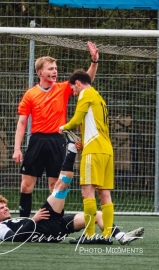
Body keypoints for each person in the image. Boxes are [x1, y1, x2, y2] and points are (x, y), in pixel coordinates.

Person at [0, 137, 144, 244]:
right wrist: (34, 220)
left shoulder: (17, 220)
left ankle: (121, 236)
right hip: (46, 226)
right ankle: (71, 149)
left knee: (97, 214)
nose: (5, 208)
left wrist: (32, 220)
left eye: (5, 205)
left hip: (57, 227)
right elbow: (14, 239)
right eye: (1, 208)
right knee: (60, 187)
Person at [12, 41, 100, 218]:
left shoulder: (62, 88)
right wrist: (16, 148)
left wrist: (94, 61)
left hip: (57, 141)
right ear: (40, 73)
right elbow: (22, 122)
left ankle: (54, 225)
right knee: (26, 185)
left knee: (55, 186)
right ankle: (24, 224)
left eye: (55, 68)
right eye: (50, 68)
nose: (55, 71)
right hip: (37, 141)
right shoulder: (30, 94)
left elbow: (86, 80)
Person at [59, 69, 115, 244]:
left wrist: (63, 127)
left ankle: (89, 235)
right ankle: (106, 235)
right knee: (104, 193)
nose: (74, 94)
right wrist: (83, 141)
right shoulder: (98, 97)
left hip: (94, 151)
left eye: (73, 89)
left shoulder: (85, 94)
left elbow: (76, 119)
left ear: (77, 83)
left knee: (87, 192)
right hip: (106, 150)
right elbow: (95, 125)